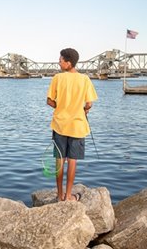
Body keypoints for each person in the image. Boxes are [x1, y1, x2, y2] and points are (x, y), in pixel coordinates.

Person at [46, 48, 98, 202]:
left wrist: (61, 106)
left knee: (59, 160)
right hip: (77, 126)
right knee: (72, 161)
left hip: (60, 125)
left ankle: (60, 195)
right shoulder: (85, 79)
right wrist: (83, 110)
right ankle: (69, 196)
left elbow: (49, 101)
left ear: (68, 63)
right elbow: (89, 104)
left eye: (61, 60)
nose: (59, 62)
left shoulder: (57, 78)